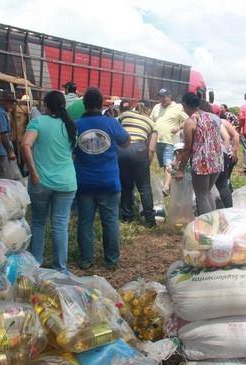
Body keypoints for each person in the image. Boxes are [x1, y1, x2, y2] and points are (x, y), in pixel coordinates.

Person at [21, 91, 77, 272]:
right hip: (67, 182)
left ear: (46, 105)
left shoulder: (38, 122)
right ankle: (61, 267)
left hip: (41, 182)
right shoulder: (70, 126)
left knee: (38, 222)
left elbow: (25, 144)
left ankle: (36, 263)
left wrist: (33, 172)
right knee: (60, 225)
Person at [74, 87, 130, 269]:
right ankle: (112, 260)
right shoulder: (112, 124)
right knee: (110, 221)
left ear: (84, 104)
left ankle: (85, 260)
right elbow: (126, 141)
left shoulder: (75, 125)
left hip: (84, 182)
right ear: (101, 104)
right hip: (109, 181)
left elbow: (70, 149)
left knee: (85, 221)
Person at [175, 93, 224, 215]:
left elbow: (187, 149)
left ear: (185, 105)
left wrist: (180, 169)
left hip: (202, 163)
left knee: (201, 195)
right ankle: (214, 223)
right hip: (217, 160)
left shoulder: (190, 122)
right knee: (207, 192)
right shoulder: (213, 117)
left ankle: (207, 227)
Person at [118, 99, 157, 226]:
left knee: (126, 186)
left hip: (122, 149)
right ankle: (150, 220)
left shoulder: (125, 115)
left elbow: (116, 129)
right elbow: (151, 148)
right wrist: (147, 163)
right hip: (140, 150)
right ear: (149, 111)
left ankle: (127, 217)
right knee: (144, 187)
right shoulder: (151, 123)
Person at [150, 88, 188, 196]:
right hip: (157, 141)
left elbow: (187, 120)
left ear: (170, 97)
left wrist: (178, 127)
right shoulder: (156, 107)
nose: (162, 99)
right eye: (160, 97)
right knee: (164, 165)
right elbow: (151, 120)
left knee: (168, 164)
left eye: (164, 97)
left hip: (170, 141)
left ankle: (166, 187)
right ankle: (170, 185)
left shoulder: (177, 107)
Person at [0, 90, 22, 180]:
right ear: (4, 102)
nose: (13, 106)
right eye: (11, 103)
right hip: (2, 151)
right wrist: (10, 152)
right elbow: (3, 134)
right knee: (5, 178)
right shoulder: (0, 113)